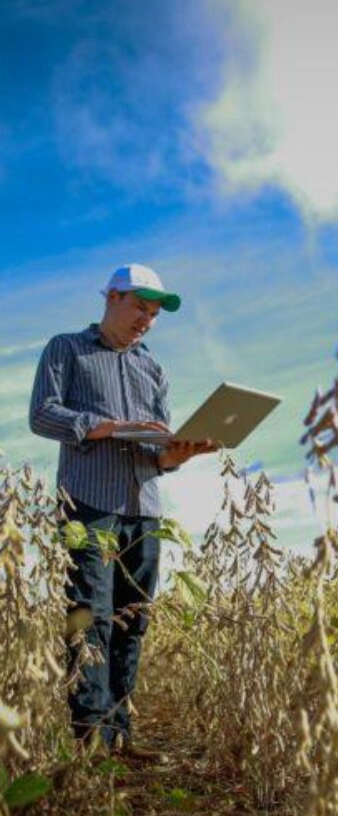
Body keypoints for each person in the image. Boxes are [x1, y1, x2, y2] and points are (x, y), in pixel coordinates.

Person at [29, 263, 218, 752]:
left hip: (145, 508)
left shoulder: (152, 368)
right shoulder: (66, 348)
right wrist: (107, 425)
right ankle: (90, 738)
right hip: (89, 505)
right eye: (140, 307)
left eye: (154, 314)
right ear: (111, 296)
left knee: (132, 621)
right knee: (89, 617)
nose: (146, 321)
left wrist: (176, 455)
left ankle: (121, 733)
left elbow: (156, 454)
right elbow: (43, 414)